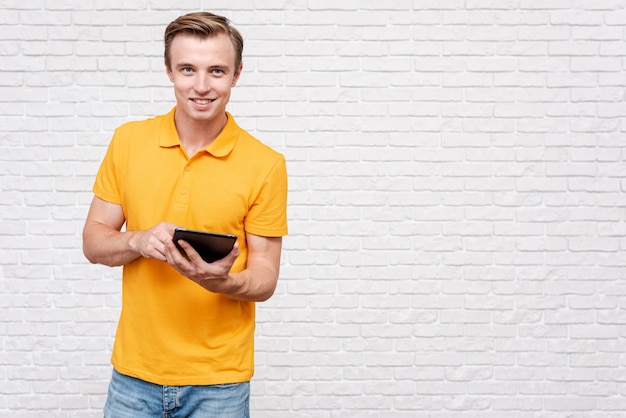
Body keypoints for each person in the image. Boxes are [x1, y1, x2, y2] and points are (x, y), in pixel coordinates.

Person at [82, 11, 288, 417]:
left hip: (220, 384)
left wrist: (224, 282)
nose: (201, 86)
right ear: (168, 71)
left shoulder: (265, 163)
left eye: (216, 71)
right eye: (187, 69)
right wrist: (136, 240)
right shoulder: (128, 142)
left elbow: (265, 278)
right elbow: (94, 241)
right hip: (133, 376)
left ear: (236, 75)